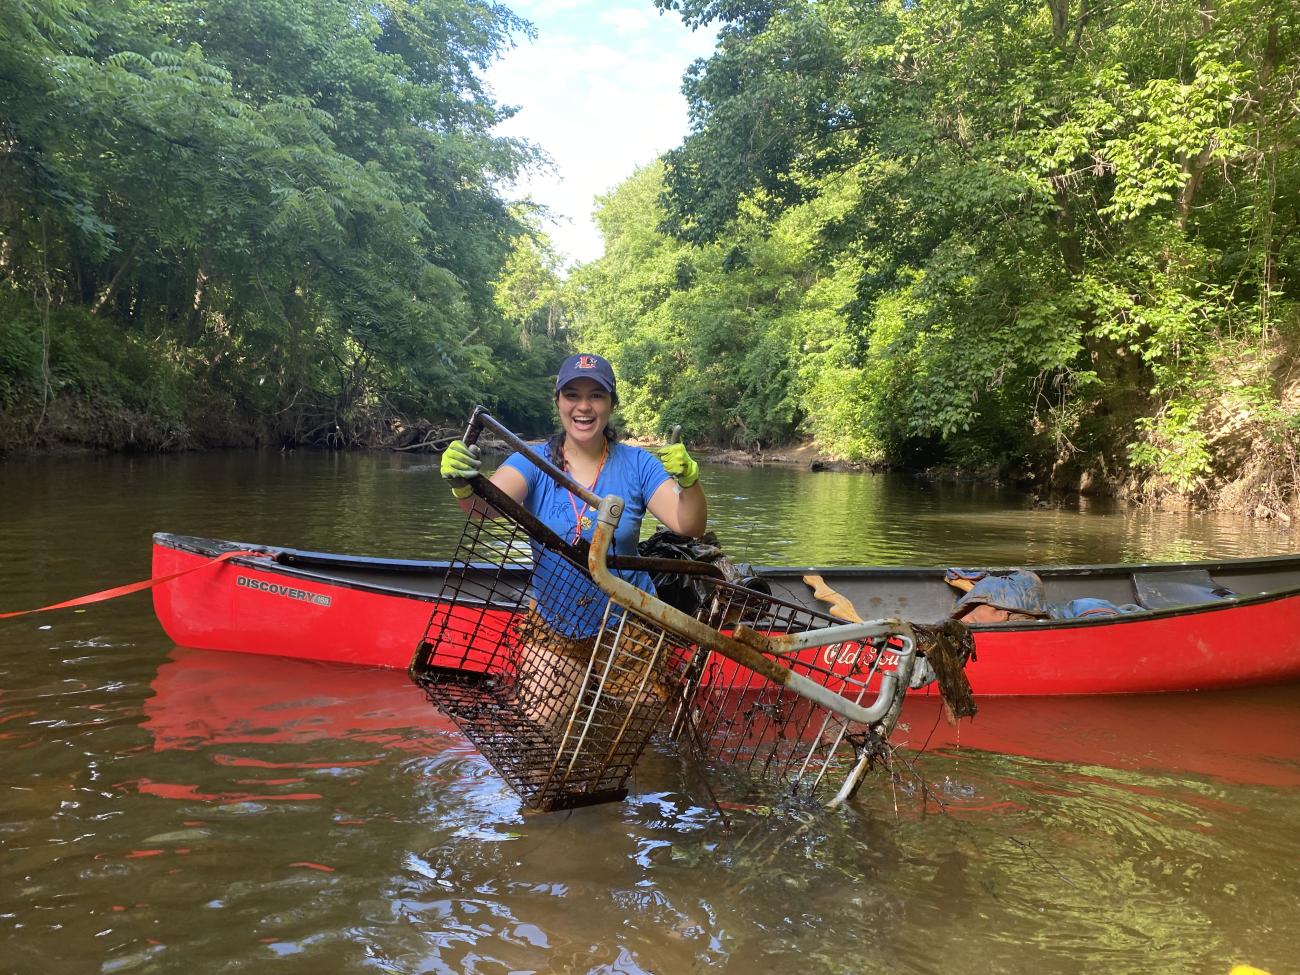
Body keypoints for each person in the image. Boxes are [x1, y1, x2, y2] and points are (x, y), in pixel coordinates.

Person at [439, 351, 706, 635]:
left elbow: (690, 525)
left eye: (596, 396)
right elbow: (483, 509)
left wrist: (689, 480)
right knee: (538, 680)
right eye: (572, 395)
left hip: (630, 624)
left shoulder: (638, 464)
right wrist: (461, 483)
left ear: (611, 404)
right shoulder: (532, 460)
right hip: (554, 624)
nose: (584, 407)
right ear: (557, 402)